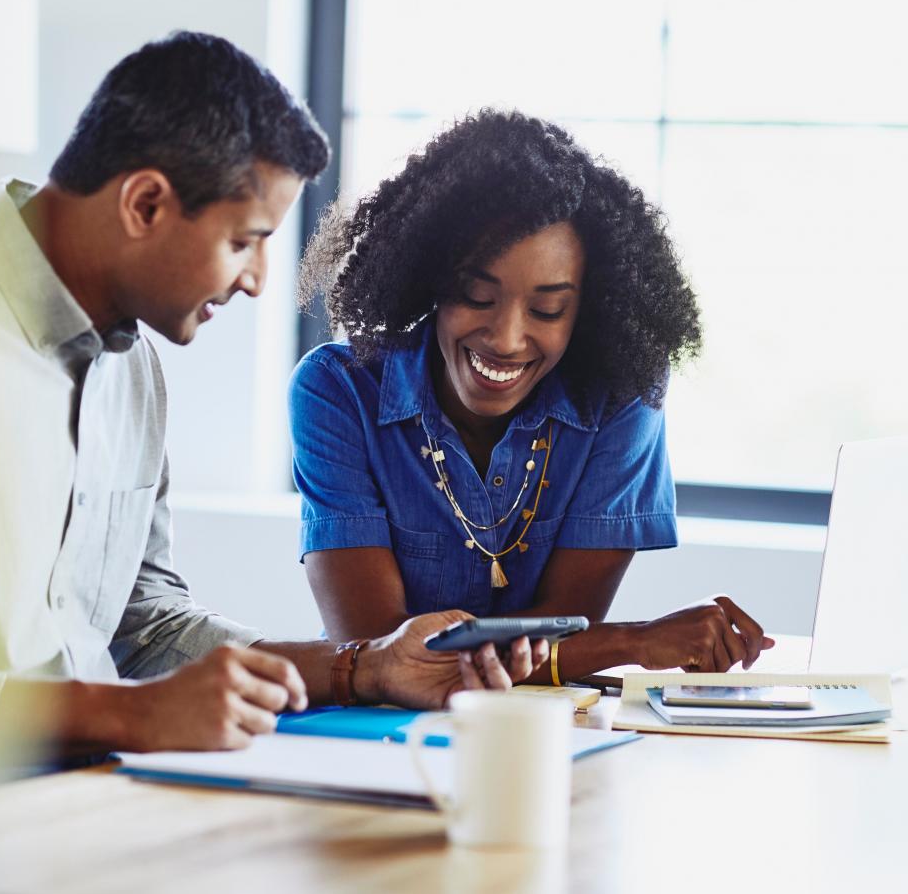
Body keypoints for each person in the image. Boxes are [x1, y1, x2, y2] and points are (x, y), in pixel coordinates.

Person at [0, 33, 546, 758]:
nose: (255, 279)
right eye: (244, 241)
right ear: (146, 203)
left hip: (91, 803)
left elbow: (143, 623)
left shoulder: (131, 368)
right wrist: (127, 717)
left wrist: (364, 667)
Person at [290, 109, 775, 684]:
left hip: (546, 727)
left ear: (588, 310)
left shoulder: (620, 398)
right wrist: (633, 642)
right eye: (475, 295)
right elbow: (383, 654)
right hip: (368, 732)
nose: (506, 338)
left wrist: (589, 644)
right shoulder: (338, 389)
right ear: (429, 282)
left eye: (547, 310)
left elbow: (565, 629)